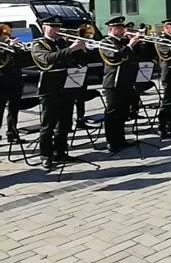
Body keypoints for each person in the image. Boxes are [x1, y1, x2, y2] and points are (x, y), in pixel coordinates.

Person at [30, 16, 87, 170]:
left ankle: (61, 152)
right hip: (49, 90)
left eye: (58, 27)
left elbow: (75, 59)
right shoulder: (38, 44)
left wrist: (82, 49)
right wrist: (72, 48)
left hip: (67, 87)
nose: (56, 30)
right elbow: (48, 59)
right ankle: (46, 155)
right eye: (52, 27)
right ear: (44, 28)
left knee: (65, 122)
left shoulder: (62, 42)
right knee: (48, 124)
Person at [98, 16, 141, 152]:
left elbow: (134, 57)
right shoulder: (106, 42)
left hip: (125, 81)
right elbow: (115, 56)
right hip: (112, 82)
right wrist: (129, 45)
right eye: (119, 28)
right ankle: (112, 142)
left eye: (122, 28)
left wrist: (137, 43)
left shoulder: (122, 41)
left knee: (123, 113)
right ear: (112, 29)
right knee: (112, 113)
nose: (123, 30)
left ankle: (121, 139)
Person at [0, 25, 27, 143]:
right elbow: (3, 66)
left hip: (15, 81)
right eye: (3, 35)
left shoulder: (11, 47)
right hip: (1, 82)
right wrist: (7, 49)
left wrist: (19, 50)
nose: (6, 37)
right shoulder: (3, 48)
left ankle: (12, 133)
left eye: (8, 34)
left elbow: (22, 62)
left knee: (14, 110)